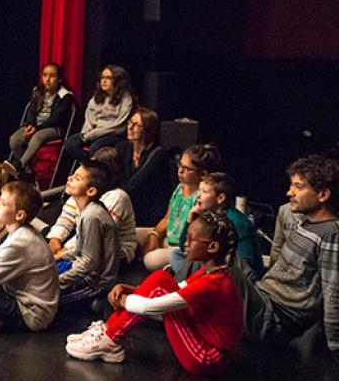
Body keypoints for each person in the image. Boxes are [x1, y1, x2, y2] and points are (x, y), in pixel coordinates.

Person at [66, 211, 244, 376]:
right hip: (204, 345)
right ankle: (108, 333)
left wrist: (123, 301)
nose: (185, 244)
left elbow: (150, 307)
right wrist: (133, 289)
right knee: (161, 278)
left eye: (191, 239)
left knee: (160, 282)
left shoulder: (214, 282)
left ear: (212, 247)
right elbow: (176, 289)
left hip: (207, 358)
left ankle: (111, 338)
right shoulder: (211, 272)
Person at [230, 155, 339, 358]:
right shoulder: (304, 223)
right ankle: (168, 304)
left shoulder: (331, 234)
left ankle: (164, 306)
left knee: (219, 260)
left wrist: (335, 347)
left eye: (298, 187)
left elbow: (333, 292)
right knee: (222, 254)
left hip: (274, 320)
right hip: (263, 298)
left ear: (323, 194)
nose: (289, 192)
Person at [0, 181, 59, 332]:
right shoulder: (19, 234)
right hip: (16, 298)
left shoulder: (19, 242)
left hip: (30, 314)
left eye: (3, 203)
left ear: (19, 215)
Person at [47, 146, 137, 265]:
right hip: (82, 243)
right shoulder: (81, 191)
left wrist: (62, 253)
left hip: (112, 253)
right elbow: (66, 218)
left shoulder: (117, 197)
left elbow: (95, 236)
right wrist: (55, 239)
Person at [142, 143, 223, 270]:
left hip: (179, 247)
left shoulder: (200, 198)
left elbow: (192, 237)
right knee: (134, 234)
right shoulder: (180, 188)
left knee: (149, 260)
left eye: (187, 169)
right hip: (168, 237)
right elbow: (167, 218)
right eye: (180, 165)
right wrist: (154, 234)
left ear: (202, 174)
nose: (180, 170)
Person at [168, 172, 262, 279]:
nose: (198, 196)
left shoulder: (237, 221)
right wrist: (190, 220)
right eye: (199, 190)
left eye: (204, 192)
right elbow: (183, 247)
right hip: (212, 264)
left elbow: (246, 263)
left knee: (194, 261)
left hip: (231, 274)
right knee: (176, 255)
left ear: (220, 198)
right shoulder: (205, 215)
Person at [56, 160, 120, 306]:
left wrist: (57, 282)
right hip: (80, 269)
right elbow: (82, 252)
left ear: (91, 191)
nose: (69, 179)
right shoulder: (88, 210)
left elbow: (89, 263)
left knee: (42, 300)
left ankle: (98, 302)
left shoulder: (91, 215)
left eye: (77, 178)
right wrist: (58, 257)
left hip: (94, 283)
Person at [61, 65, 135, 166]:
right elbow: (89, 117)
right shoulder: (97, 97)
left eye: (108, 78)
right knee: (70, 144)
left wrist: (93, 134)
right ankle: (90, 166)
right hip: (93, 132)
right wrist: (87, 131)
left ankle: (92, 171)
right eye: (102, 78)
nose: (103, 81)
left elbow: (118, 124)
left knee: (96, 147)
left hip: (112, 133)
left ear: (118, 80)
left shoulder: (126, 99)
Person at [7, 61, 75, 168]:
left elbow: (56, 118)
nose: (47, 79)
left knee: (37, 137)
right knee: (14, 139)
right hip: (35, 125)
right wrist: (31, 125)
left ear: (60, 79)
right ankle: (28, 171)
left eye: (52, 76)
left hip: (53, 127)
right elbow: (31, 111)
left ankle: (19, 166)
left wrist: (36, 128)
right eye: (44, 75)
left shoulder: (65, 96)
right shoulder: (37, 90)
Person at [116, 107, 172, 226]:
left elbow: (136, 184)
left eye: (136, 125)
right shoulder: (123, 148)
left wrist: (113, 197)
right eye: (130, 122)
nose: (130, 127)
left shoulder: (158, 153)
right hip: (128, 205)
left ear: (148, 130)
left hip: (149, 211)